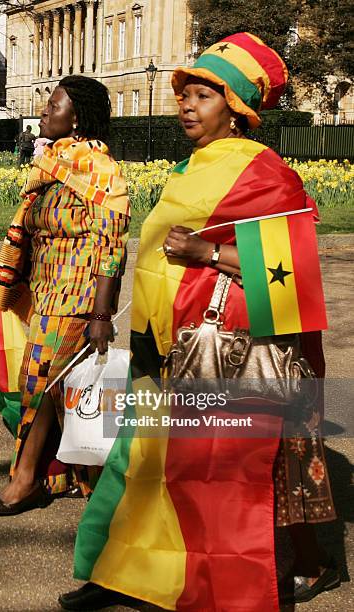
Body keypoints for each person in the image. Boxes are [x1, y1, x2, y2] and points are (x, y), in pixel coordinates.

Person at [62, 33, 338, 611]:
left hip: (217, 348)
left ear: (235, 109)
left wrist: (210, 256)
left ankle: (229, 579)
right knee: (143, 461)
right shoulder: (194, 166)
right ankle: (121, 569)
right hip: (160, 342)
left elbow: (297, 268)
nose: (186, 104)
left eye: (204, 95)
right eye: (184, 93)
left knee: (218, 472)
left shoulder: (265, 173)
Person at [0, 75, 130, 516]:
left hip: (77, 299)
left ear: (76, 118)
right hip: (45, 294)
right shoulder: (50, 167)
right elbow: (20, 232)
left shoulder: (102, 171)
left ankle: (24, 481)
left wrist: (102, 314)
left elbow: (112, 247)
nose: (43, 111)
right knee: (62, 392)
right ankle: (78, 475)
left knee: (37, 385)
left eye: (53, 105)